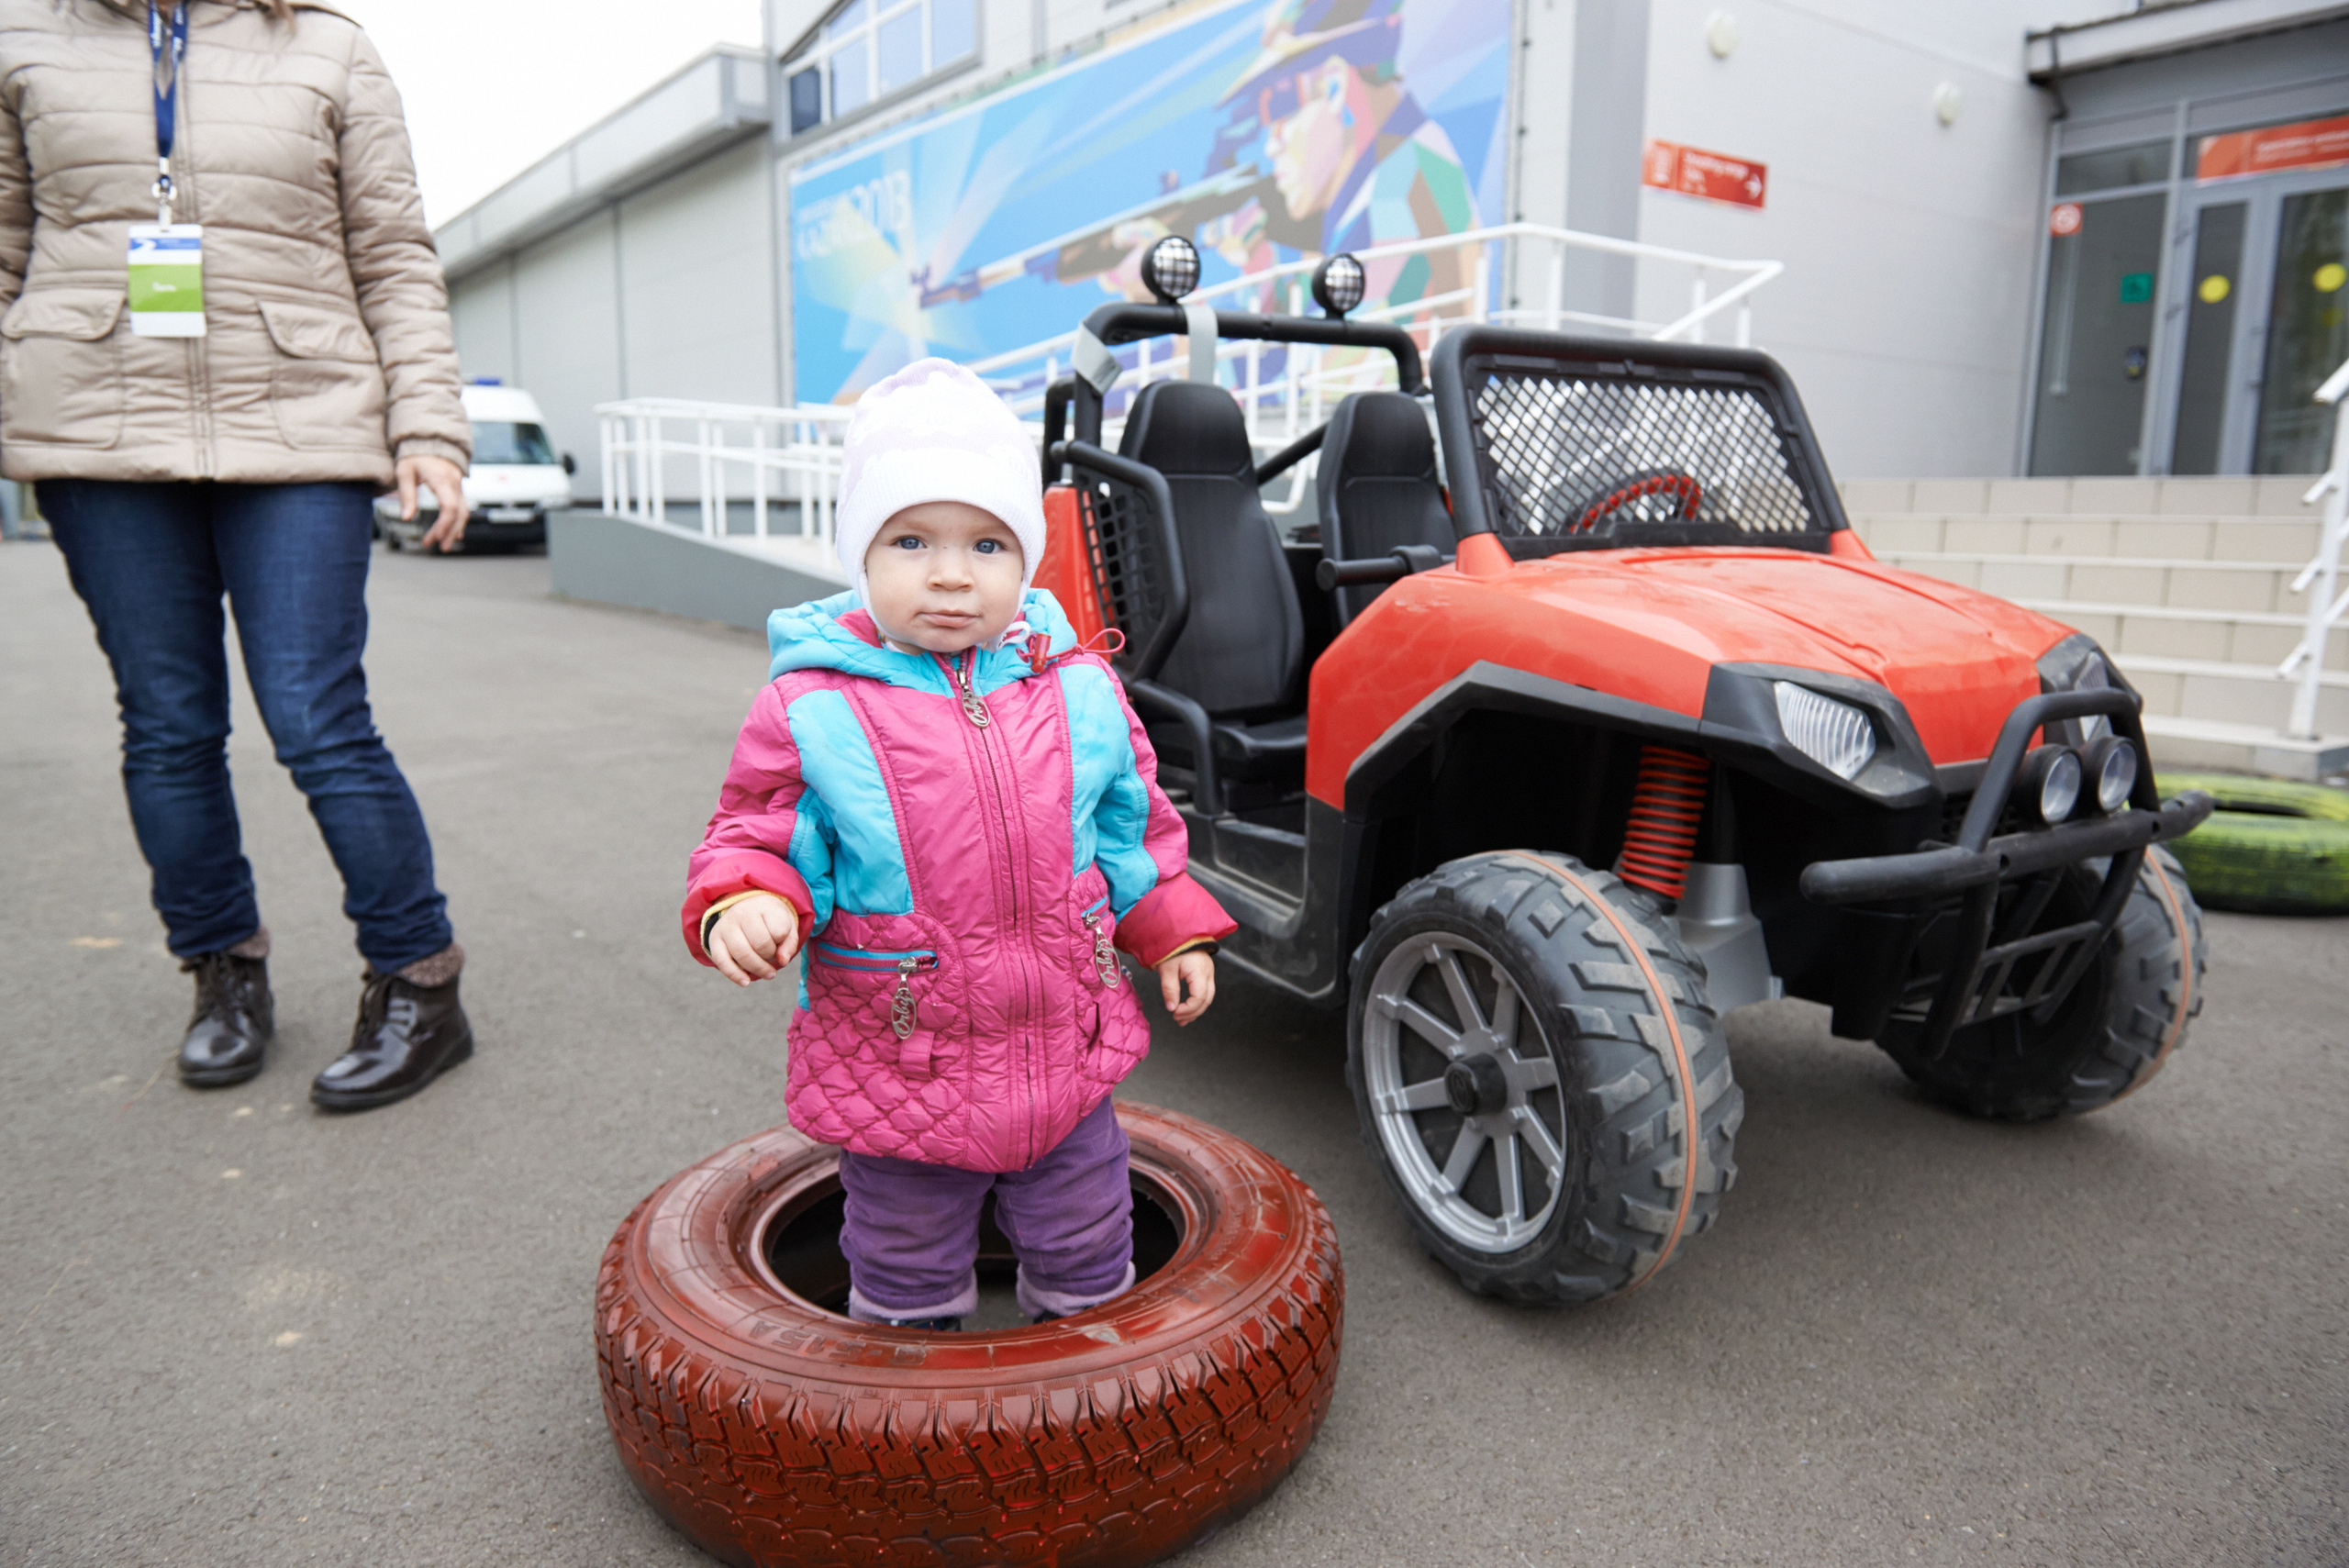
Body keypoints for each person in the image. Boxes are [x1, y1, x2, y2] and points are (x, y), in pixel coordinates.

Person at [683, 358, 1233, 1329]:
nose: (949, 572)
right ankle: (906, 1354)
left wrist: (1171, 926)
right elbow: (759, 830)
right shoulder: (813, 706)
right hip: (903, 1065)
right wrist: (750, 896)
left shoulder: (1080, 688)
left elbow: (1131, 828)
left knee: (1086, 1226)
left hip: (1065, 1057)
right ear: (861, 554)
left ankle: (1086, 1347)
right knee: (903, 1246)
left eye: (986, 542)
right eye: (910, 540)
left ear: (1025, 558)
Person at [0, 0, 478, 1111]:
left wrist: (428, 426)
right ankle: (223, 972)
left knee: (318, 716)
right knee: (168, 724)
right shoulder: (24, 37)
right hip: (97, 426)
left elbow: (393, 255)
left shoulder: (327, 44)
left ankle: (421, 982)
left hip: (302, 415)